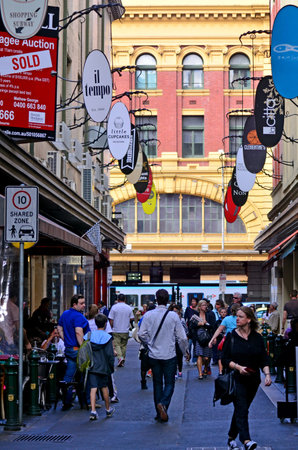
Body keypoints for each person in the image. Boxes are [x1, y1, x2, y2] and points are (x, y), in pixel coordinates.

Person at [222, 306, 272, 450]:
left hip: (253, 379)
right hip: (237, 378)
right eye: (237, 316)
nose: (237, 319)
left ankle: (231, 437)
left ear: (249, 319)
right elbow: (224, 359)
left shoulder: (256, 337)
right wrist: (238, 367)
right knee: (242, 408)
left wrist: (267, 375)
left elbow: (263, 358)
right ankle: (246, 440)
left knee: (241, 408)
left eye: (241, 316)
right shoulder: (231, 336)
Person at [138, 289, 188, 423]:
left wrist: (148, 344)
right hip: (169, 354)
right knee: (170, 383)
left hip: (154, 355)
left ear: (156, 299)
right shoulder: (173, 316)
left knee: (157, 383)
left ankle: (158, 412)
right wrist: (185, 352)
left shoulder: (148, 315)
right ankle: (164, 404)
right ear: (167, 300)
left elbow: (141, 334)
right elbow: (182, 338)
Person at [57, 294, 90, 410]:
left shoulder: (65, 314)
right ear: (74, 304)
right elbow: (78, 333)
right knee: (84, 377)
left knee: (69, 376)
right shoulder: (79, 317)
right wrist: (83, 349)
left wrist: (64, 339)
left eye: (84, 302)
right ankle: (84, 401)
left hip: (69, 349)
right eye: (81, 303)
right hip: (77, 350)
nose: (84, 305)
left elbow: (59, 328)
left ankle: (67, 401)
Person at [85, 313, 115, 421]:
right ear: (106, 324)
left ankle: (93, 411)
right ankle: (108, 409)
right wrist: (111, 367)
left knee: (93, 388)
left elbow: (85, 351)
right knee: (104, 387)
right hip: (103, 366)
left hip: (92, 365)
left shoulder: (89, 336)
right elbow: (110, 355)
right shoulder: (107, 337)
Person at [191, 299, 215, 379]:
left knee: (207, 356)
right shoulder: (195, 315)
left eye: (206, 305)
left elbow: (213, 326)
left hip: (208, 337)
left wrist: (205, 324)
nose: (205, 307)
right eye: (203, 305)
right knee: (199, 355)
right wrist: (198, 324)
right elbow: (191, 327)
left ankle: (205, 368)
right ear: (200, 307)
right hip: (198, 337)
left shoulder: (210, 314)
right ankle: (200, 373)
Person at [108, 293, 134, 367]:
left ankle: (120, 358)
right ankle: (122, 360)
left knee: (117, 345)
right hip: (125, 330)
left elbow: (111, 319)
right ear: (125, 299)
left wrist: (110, 328)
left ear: (118, 299)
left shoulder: (114, 307)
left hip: (116, 329)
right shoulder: (128, 308)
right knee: (123, 346)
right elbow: (131, 318)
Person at [169, 303, 188, 378]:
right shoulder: (169, 321)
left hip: (179, 341)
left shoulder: (182, 320)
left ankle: (179, 370)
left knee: (179, 357)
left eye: (176, 311)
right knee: (173, 358)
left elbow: (186, 330)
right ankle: (174, 372)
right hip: (171, 341)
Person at [184, 297, 199, 364]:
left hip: (196, 329)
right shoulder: (188, 309)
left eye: (194, 301)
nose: (193, 303)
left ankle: (195, 359)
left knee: (195, 345)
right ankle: (188, 357)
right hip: (189, 330)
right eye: (192, 301)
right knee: (188, 345)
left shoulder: (198, 310)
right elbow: (185, 318)